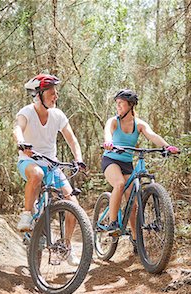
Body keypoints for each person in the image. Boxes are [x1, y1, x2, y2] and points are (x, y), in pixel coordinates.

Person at [13, 74, 85, 266]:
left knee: (74, 205)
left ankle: (66, 247)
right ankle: (27, 214)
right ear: (39, 95)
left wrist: (78, 159)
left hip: (52, 165)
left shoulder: (58, 115)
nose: (56, 96)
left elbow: (72, 139)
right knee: (37, 174)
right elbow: (17, 129)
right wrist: (21, 142)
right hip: (29, 162)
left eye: (56, 93)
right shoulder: (27, 112)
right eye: (52, 93)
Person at [102, 89, 179, 254]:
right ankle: (113, 222)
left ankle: (136, 239)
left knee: (134, 204)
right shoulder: (113, 121)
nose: (118, 107)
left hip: (127, 163)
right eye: (117, 104)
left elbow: (152, 135)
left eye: (121, 104)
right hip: (111, 160)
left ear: (130, 105)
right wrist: (108, 142)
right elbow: (108, 132)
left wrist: (166, 146)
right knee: (120, 183)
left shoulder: (140, 124)